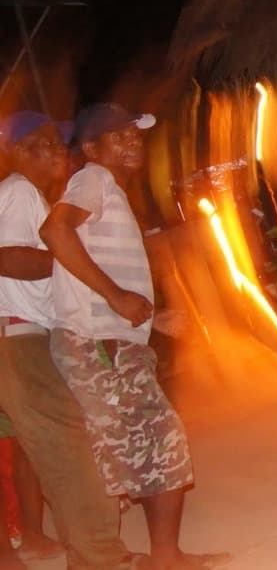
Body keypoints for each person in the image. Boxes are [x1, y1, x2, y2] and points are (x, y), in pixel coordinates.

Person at [39, 104, 226, 570]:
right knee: (158, 439)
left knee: (142, 446)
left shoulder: (109, 192)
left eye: (135, 135)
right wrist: (117, 297)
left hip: (108, 339)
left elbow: (96, 269)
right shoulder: (93, 180)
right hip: (97, 343)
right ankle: (159, 558)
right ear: (91, 148)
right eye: (118, 136)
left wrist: (150, 317)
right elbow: (55, 231)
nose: (131, 143)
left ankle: (161, 556)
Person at [0, 112, 135, 570]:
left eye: (60, 142)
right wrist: (72, 262)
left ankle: (43, 544)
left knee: (31, 447)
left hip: (14, 332)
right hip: (20, 335)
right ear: (19, 151)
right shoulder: (19, 191)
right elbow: (10, 259)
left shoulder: (25, 195)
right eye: (47, 143)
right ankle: (99, 557)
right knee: (70, 443)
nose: (60, 151)